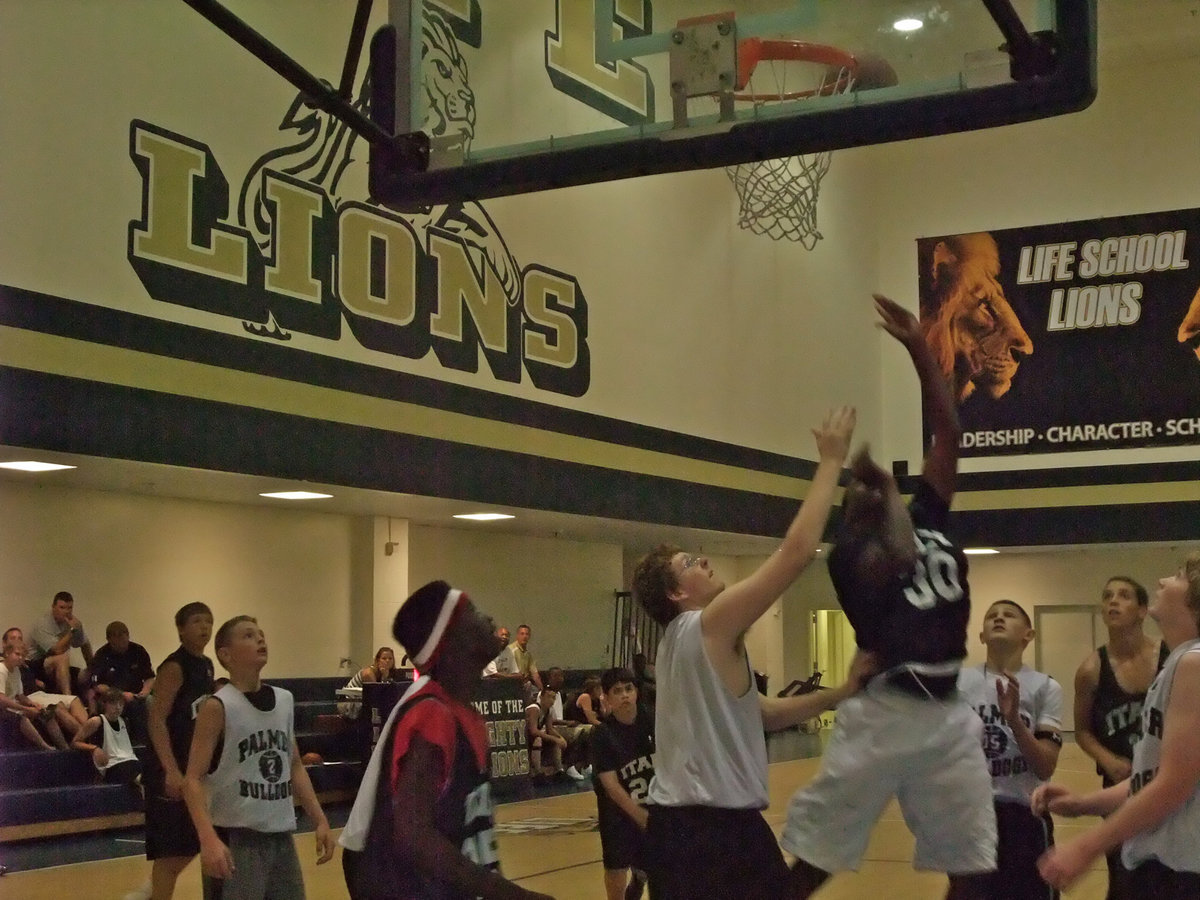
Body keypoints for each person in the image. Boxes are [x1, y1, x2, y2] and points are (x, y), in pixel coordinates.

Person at [781, 295, 996, 900]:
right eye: (854, 490)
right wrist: (886, 492)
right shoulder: (850, 559)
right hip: (884, 715)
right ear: (850, 515)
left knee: (974, 865)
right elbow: (901, 557)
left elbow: (950, 429)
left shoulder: (926, 512)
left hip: (948, 711)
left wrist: (920, 349)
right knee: (816, 863)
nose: (866, 490)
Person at [631, 400, 864, 900]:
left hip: (676, 834)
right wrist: (830, 463)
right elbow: (797, 553)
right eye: (691, 562)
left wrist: (838, 693)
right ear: (676, 593)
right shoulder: (709, 624)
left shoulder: (675, 647)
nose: (705, 560)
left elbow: (760, 714)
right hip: (713, 836)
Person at [339, 580, 555, 900]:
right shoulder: (432, 714)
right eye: (474, 612)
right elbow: (414, 837)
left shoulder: (462, 712)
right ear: (452, 640)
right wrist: (508, 893)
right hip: (396, 882)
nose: (489, 619)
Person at [1034, 555, 1200, 897]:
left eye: (1179, 576)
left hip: (1186, 870)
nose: (1163, 581)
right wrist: (1083, 803)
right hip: (1164, 863)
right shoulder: (1179, 664)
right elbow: (1151, 777)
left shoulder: (1193, 663)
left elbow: (1173, 785)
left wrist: (1086, 847)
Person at [182, 615, 334, 900]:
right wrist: (208, 839)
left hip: (280, 837)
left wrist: (320, 818)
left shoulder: (285, 700)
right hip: (235, 837)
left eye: (261, 634)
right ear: (225, 654)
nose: (260, 639)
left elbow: (295, 765)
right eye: (249, 636)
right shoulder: (217, 706)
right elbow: (192, 780)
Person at [958, 600, 1063, 900]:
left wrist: (1014, 720)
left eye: (1008, 615)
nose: (999, 618)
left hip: (1024, 816)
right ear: (981, 636)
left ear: (1028, 635)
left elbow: (1045, 766)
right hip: (973, 816)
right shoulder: (960, 684)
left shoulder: (1045, 687)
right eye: (991, 616)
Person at [1072, 575, 1167, 900]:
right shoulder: (1091, 670)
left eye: (1124, 595)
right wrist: (1107, 758)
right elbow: (1082, 731)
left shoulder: (1171, 657)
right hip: (1119, 789)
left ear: (1142, 610)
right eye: (1108, 595)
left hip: (1169, 785)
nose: (1113, 601)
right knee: (1125, 882)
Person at [135, 602, 215, 900]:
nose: (204, 627)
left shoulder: (206, 664)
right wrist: (170, 770)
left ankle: (150, 892)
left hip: (192, 767)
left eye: (208, 621)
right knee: (170, 850)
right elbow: (156, 720)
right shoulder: (174, 666)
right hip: (168, 767)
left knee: (198, 839)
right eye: (196, 621)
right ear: (181, 629)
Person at [592, 667, 656, 900]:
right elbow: (612, 787)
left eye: (629, 689)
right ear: (607, 698)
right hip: (617, 813)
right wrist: (640, 816)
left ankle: (640, 876)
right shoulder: (602, 734)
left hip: (652, 802)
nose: (625, 695)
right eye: (617, 691)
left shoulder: (654, 721)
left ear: (637, 692)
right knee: (616, 870)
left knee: (658, 866)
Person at [0, 635, 70, 750]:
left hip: (12, 707)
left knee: (46, 713)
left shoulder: (16, 671)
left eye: (22, 656)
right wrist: (25, 709)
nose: (20, 658)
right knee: (23, 719)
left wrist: (32, 704)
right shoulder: (1, 670)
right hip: (3, 710)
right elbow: (1, 698)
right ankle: (45, 746)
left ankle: (64, 748)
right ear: (7, 653)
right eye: (17, 654)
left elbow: (20, 695)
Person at [88, 621, 155, 740]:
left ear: (128, 636)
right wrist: (121, 694)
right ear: (109, 640)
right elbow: (98, 686)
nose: (120, 644)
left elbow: (149, 677)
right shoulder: (102, 655)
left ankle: (152, 740)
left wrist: (144, 692)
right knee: (126, 705)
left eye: (123, 639)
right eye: (116, 641)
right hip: (112, 696)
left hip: (136, 694)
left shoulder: (138, 651)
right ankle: (137, 740)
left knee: (150, 701)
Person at [28, 591, 94, 695]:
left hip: (60, 665)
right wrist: (72, 631)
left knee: (84, 676)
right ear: (53, 607)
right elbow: (56, 650)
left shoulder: (73, 622)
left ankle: (91, 709)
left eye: (69, 608)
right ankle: (67, 696)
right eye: (62, 608)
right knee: (62, 657)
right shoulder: (42, 624)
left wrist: (92, 668)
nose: (66, 611)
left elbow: (83, 643)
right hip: (36, 665)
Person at [72, 690, 144, 786]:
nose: (118, 707)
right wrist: (94, 748)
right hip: (112, 765)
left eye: (120, 704)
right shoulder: (96, 721)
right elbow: (75, 742)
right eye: (113, 703)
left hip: (130, 761)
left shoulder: (124, 722)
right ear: (104, 704)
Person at [339, 646, 399, 719]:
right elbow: (375, 694)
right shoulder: (368, 673)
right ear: (377, 660)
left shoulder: (391, 673)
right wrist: (384, 678)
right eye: (384, 658)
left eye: (390, 658)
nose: (387, 661)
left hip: (365, 702)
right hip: (351, 703)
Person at [526, 686, 568, 780]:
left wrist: (560, 738)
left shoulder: (549, 710)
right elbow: (533, 731)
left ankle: (559, 770)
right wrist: (554, 738)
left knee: (557, 741)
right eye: (549, 697)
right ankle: (538, 772)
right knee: (538, 739)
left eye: (553, 698)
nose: (551, 700)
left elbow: (550, 729)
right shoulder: (534, 708)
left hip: (532, 737)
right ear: (541, 697)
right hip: (525, 737)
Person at [509, 625, 542, 692]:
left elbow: (535, 674)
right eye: (522, 634)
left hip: (525, 684)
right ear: (517, 636)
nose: (524, 636)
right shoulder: (510, 650)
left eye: (527, 634)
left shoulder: (528, 654)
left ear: (529, 636)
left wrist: (542, 691)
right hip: (511, 684)